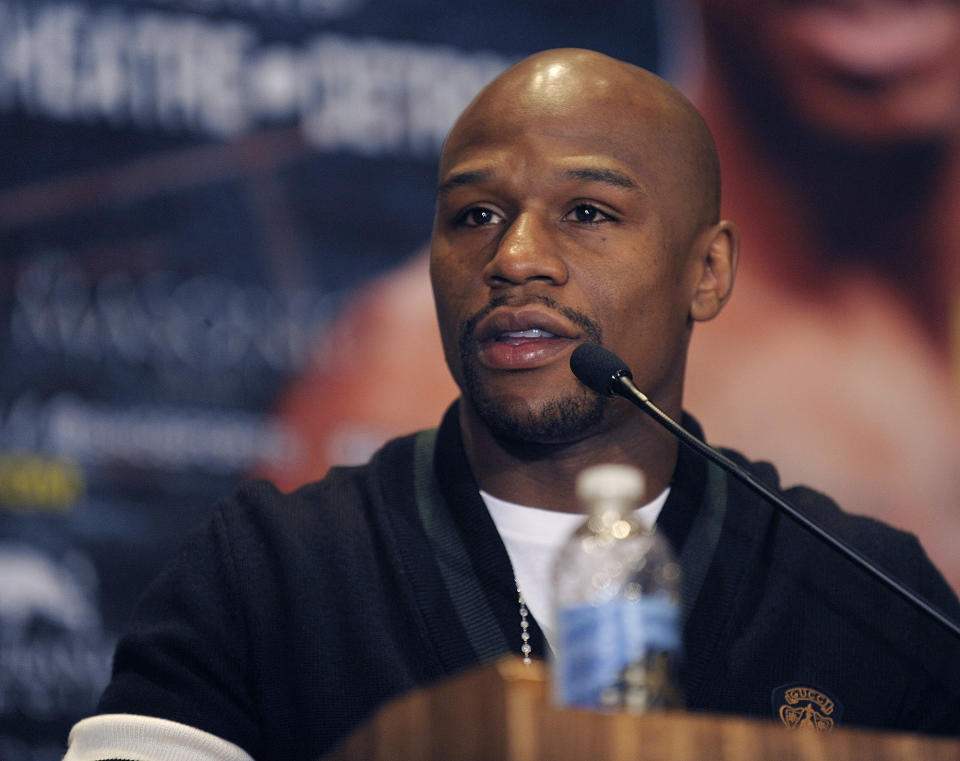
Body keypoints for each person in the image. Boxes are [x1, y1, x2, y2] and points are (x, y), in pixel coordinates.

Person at [64, 49, 960, 761]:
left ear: (708, 271)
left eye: (588, 212)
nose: (517, 257)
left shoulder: (864, 595)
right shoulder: (272, 567)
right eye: (476, 216)